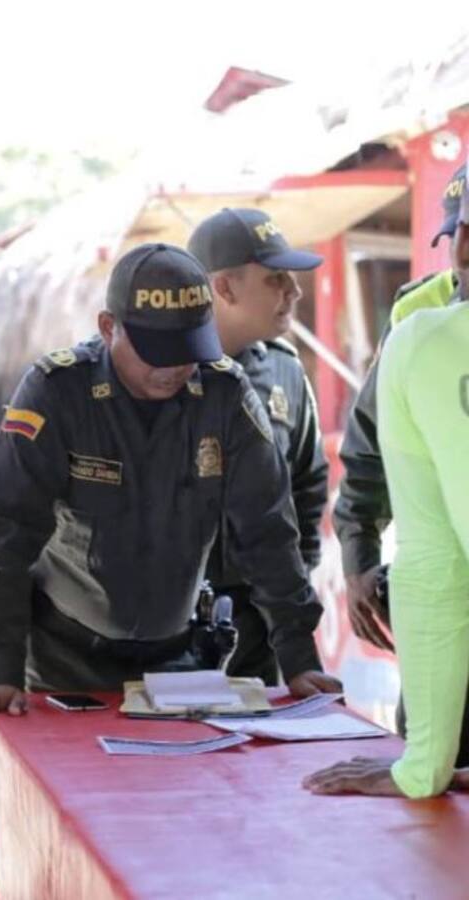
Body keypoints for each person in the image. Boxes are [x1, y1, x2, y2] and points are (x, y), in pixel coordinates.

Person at [0, 243, 341, 751]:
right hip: (62, 659)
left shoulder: (225, 395)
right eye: (156, 351)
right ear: (107, 326)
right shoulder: (57, 391)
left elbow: (268, 531)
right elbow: (6, 536)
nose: (173, 368)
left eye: (188, 349)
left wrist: (299, 658)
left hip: (179, 662)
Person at [304, 266, 469, 798]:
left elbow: (434, 564)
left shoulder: (427, 343)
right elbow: (368, 461)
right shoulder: (419, 326)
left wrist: (423, 769)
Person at [332, 165, 469, 762]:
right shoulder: (419, 319)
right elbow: (369, 447)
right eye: (459, 237)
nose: (463, 257)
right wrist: (359, 557)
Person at [187, 209, 329, 685]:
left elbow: (307, 487)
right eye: (277, 279)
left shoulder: (287, 371)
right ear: (224, 288)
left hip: (261, 624)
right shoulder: (158, 374)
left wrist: (294, 581)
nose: (295, 292)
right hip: (165, 622)